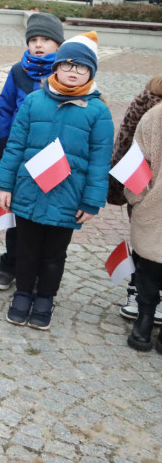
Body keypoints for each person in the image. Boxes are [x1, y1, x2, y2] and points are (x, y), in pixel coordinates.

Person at [0, 32, 113, 331]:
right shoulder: (35, 101)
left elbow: (100, 161)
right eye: (68, 65)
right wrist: (5, 184)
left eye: (81, 67)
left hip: (68, 197)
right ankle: (22, 294)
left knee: (53, 255)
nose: (73, 72)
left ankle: (45, 297)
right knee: (26, 249)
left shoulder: (98, 111)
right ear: (56, 67)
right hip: (29, 190)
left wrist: (92, 201)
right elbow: (15, 146)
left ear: (91, 72)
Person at [0, 12, 64, 290]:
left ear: (58, 44)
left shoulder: (63, 73)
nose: (39, 45)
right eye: (34, 39)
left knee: (45, 216)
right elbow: (5, 107)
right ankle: (11, 264)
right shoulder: (18, 71)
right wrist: (2, 142)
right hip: (21, 155)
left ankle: (38, 270)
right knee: (17, 215)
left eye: (45, 39)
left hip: (52, 158)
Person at [108, 74, 162, 323]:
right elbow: (127, 145)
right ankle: (136, 293)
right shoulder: (148, 100)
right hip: (147, 189)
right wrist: (129, 193)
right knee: (145, 244)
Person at [123, 102, 162, 352]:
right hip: (156, 207)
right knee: (149, 265)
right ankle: (144, 317)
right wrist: (140, 200)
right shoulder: (155, 116)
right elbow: (136, 161)